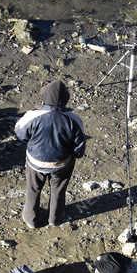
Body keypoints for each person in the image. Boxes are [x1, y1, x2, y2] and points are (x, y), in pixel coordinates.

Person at [14, 80, 86, 228]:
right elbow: (79, 147)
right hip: (61, 164)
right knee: (58, 190)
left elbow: (20, 134)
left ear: (44, 97)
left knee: (33, 189)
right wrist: (74, 156)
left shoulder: (33, 115)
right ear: (66, 99)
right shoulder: (73, 119)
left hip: (35, 162)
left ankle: (31, 220)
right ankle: (55, 219)